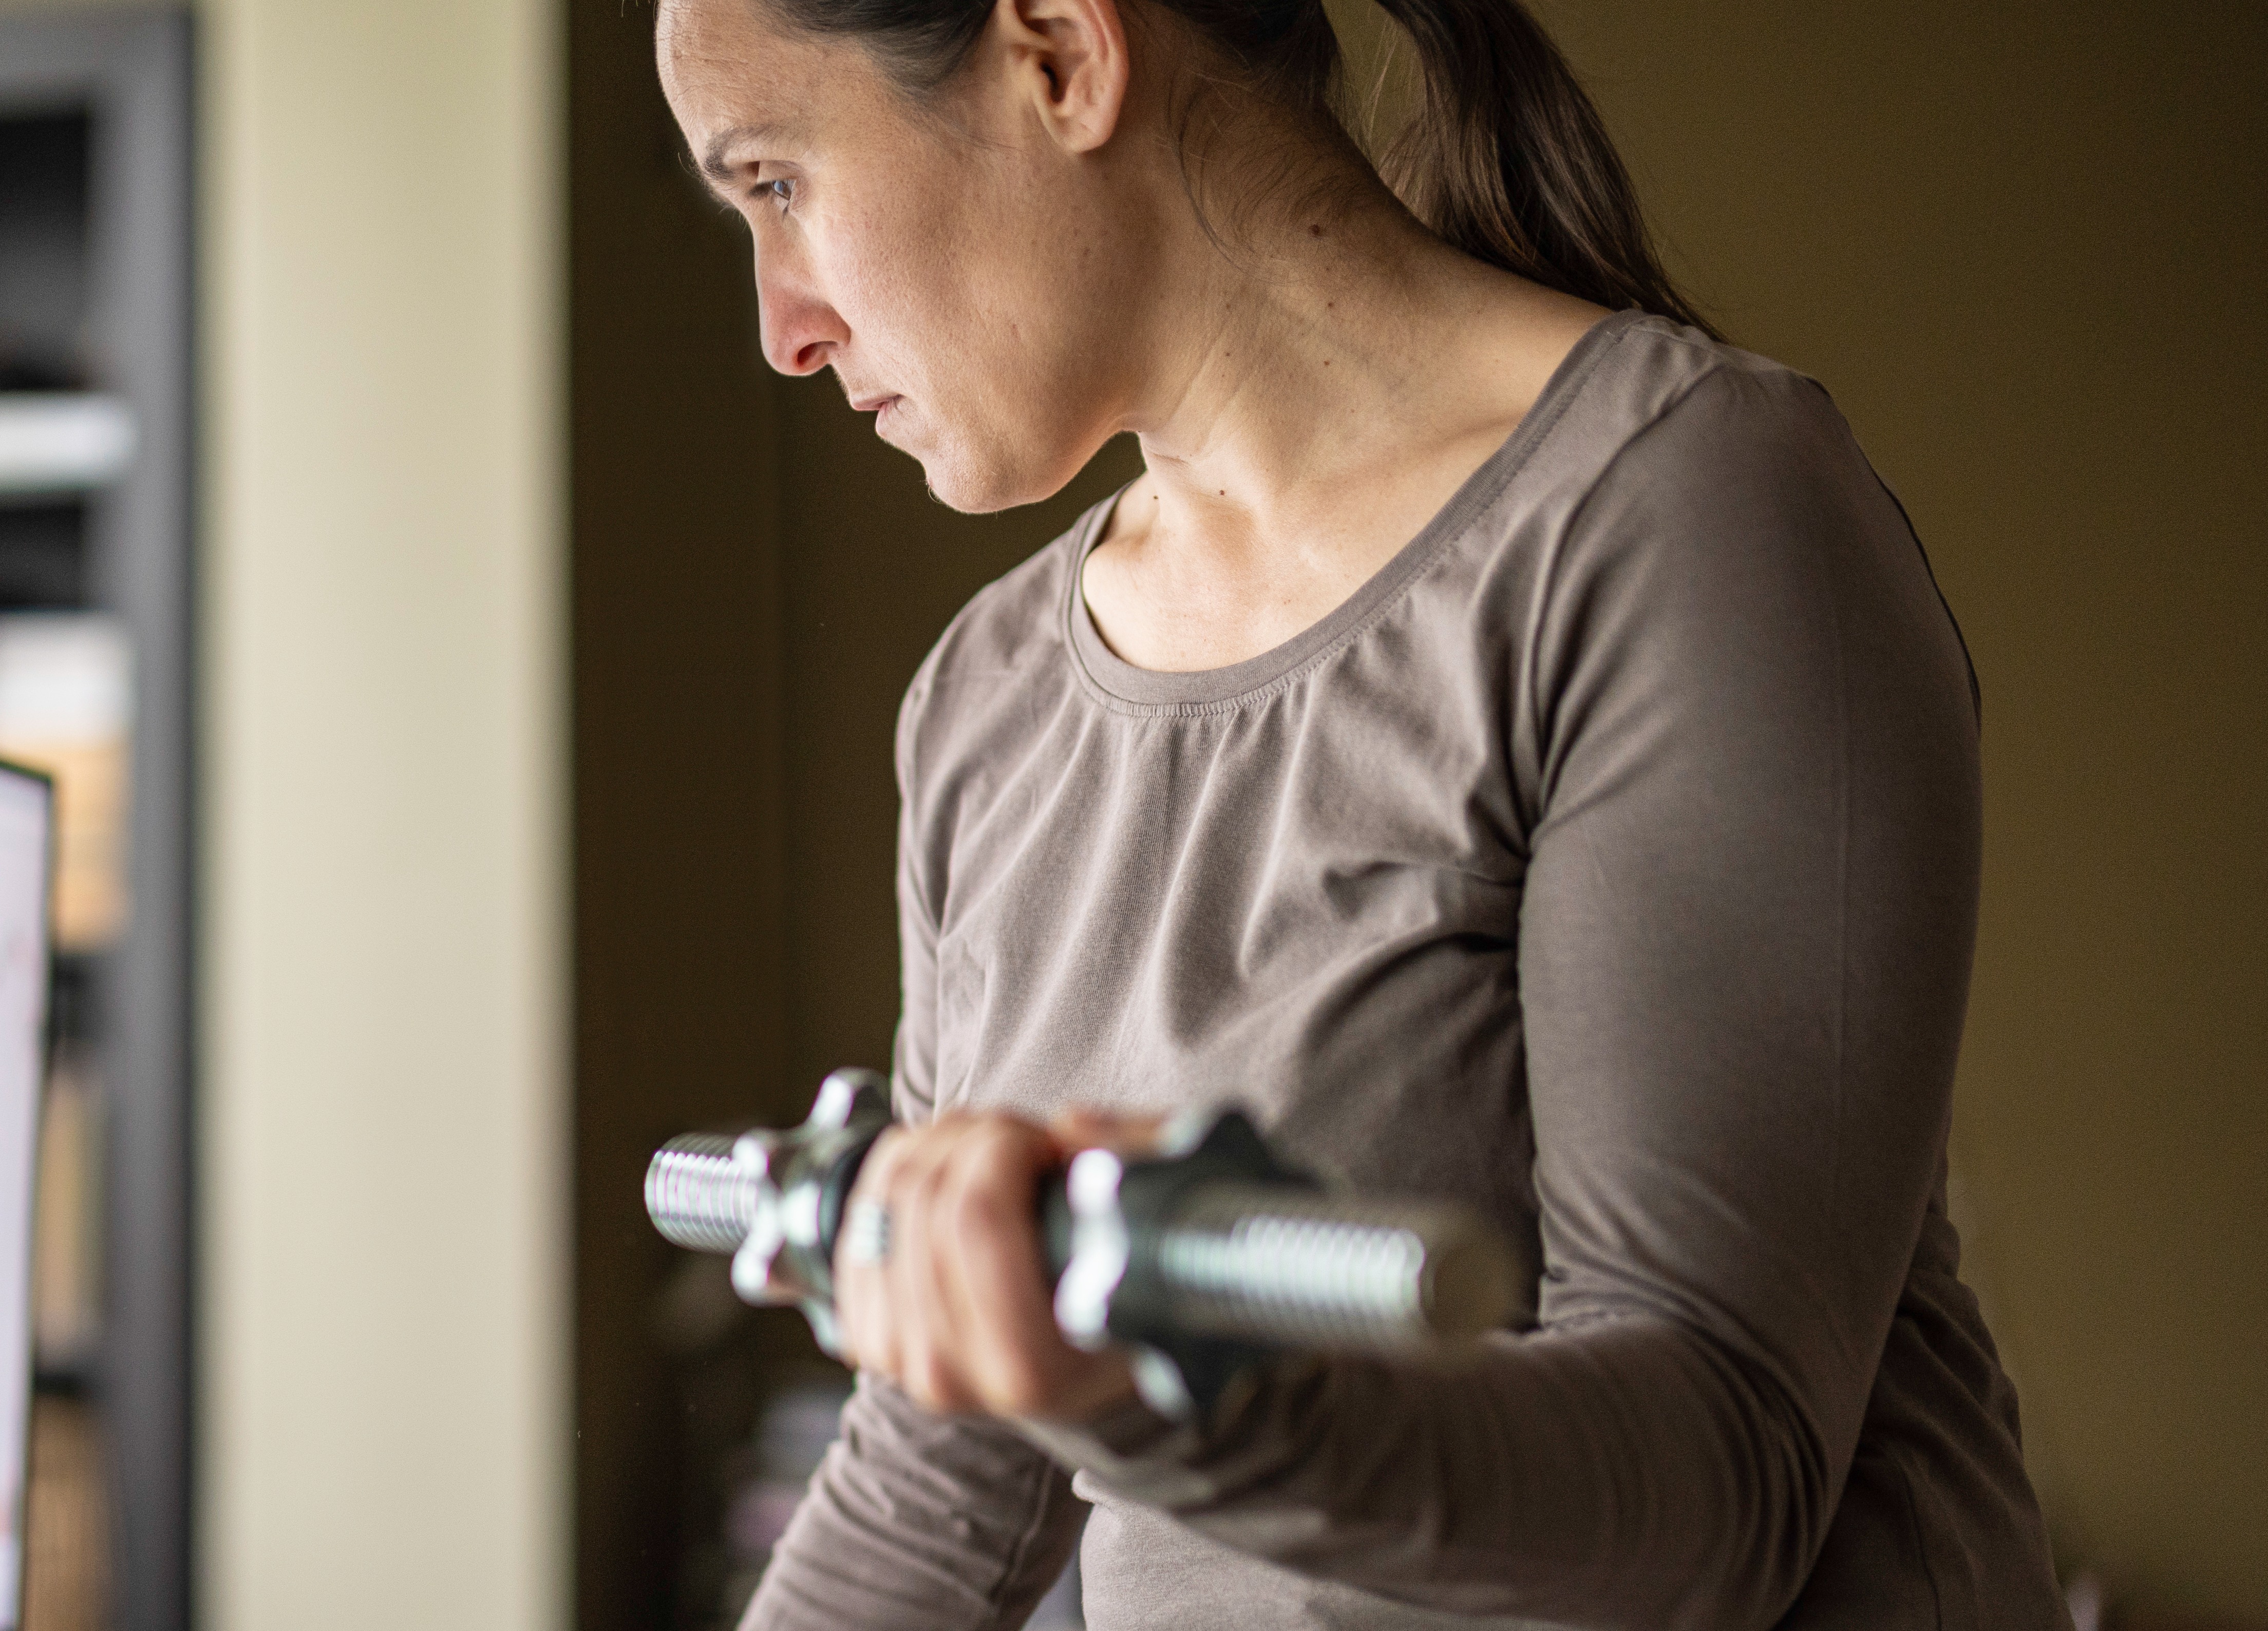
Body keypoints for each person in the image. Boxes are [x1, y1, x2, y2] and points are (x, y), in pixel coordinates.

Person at [651, 0, 2071, 1625]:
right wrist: (1042, 1347)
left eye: (776, 184)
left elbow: (1717, 1484)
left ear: (1057, 51)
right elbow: (936, 1487)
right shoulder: (990, 703)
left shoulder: (1681, 518)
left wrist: (1176, 1399)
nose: (782, 327)